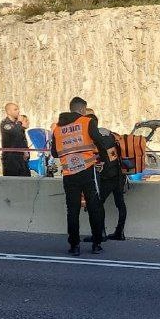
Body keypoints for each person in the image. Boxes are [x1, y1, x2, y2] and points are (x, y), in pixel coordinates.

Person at [50, 96, 108, 255]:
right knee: (94, 207)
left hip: (69, 173)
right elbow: (100, 143)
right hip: (88, 170)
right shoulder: (87, 122)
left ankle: (74, 246)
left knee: (72, 210)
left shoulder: (57, 128)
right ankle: (96, 243)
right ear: (83, 109)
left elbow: (54, 152)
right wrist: (103, 160)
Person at [91, 112, 128, 241]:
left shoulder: (96, 138)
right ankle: (120, 232)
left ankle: (101, 233)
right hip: (118, 175)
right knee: (120, 204)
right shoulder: (109, 134)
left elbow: (103, 158)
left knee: (98, 204)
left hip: (107, 177)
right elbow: (113, 156)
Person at [0, 102, 30, 177]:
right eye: (15, 109)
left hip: (21, 157)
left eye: (18, 109)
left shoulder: (17, 124)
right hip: (11, 158)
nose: (18, 111)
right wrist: (20, 122)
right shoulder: (5, 124)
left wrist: (25, 150)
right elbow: (15, 132)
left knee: (26, 180)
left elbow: (22, 139)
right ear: (9, 112)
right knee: (13, 181)